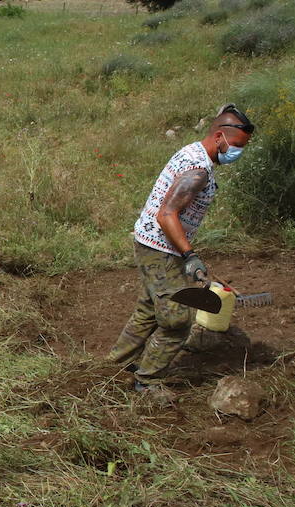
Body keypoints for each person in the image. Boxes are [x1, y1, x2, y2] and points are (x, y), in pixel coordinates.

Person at [107, 104, 255, 394]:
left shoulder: (194, 153)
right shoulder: (198, 170)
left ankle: (114, 365)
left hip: (155, 243)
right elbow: (166, 214)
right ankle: (146, 382)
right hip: (159, 247)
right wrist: (189, 256)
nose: (238, 152)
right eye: (236, 146)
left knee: (149, 309)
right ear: (218, 137)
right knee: (177, 320)